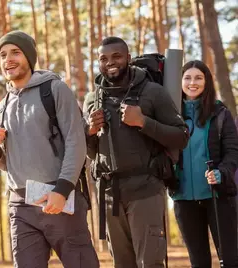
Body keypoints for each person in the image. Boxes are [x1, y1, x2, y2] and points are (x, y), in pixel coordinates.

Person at [0, 30, 99, 268]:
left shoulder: (55, 89)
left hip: (58, 197)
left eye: (15, 52)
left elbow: (75, 141)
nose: (8, 59)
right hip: (20, 204)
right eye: (2, 55)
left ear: (29, 55)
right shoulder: (1, 107)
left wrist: (62, 189)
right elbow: (10, 163)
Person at [83, 36, 189, 268]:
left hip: (146, 189)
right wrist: (89, 131)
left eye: (117, 56)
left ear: (129, 59)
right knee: (122, 264)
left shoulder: (152, 92)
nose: (110, 62)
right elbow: (91, 153)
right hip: (110, 194)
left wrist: (143, 122)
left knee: (150, 263)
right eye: (103, 58)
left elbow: (181, 137)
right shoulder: (92, 99)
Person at [172, 60, 238, 267]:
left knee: (230, 260)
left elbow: (232, 152)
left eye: (198, 78)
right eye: (187, 78)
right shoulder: (172, 115)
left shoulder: (220, 114)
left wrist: (222, 172)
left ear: (207, 81)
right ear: (179, 82)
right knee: (198, 261)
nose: (193, 82)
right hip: (183, 198)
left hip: (217, 196)